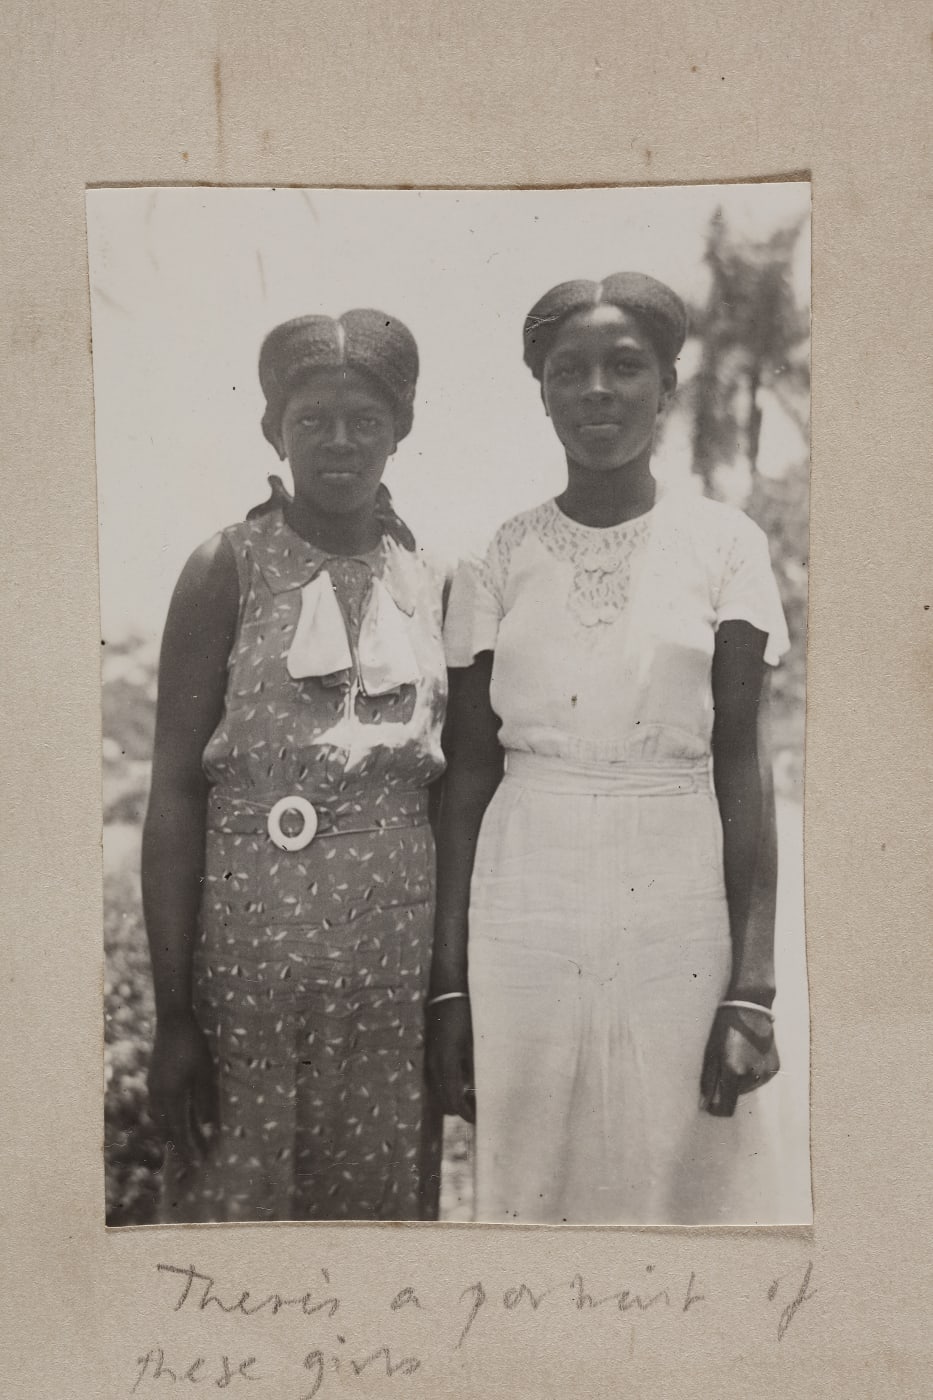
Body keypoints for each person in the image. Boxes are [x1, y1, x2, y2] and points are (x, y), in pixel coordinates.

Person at [429, 272, 790, 1225]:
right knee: (537, 1182)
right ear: (541, 392)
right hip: (523, 900)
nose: (596, 390)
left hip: (679, 895)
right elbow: (467, 774)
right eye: (568, 370)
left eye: (624, 367)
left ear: (669, 387)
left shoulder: (724, 545)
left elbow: (742, 764)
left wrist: (751, 988)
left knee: (693, 1181)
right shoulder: (494, 558)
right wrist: (448, 988)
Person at [142, 309, 447, 1222]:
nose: (340, 442)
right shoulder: (223, 568)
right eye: (313, 419)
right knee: (235, 1212)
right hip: (246, 964)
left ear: (401, 431)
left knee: (375, 1212)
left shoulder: (431, 581)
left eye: (366, 421)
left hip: (393, 966)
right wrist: (172, 1016)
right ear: (275, 427)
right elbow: (172, 794)